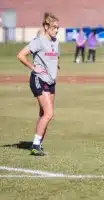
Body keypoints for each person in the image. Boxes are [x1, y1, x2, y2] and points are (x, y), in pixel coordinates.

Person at [17, 12, 60, 156]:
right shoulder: (39, 41)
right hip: (38, 79)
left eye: (57, 28)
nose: (56, 30)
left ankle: (38, 144)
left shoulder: (56, 42)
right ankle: (35, 146)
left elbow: (53, 58)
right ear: (46, 27)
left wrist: (55, 66)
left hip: (51, 81)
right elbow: (21, 55)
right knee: (49, 113)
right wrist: (33, 67)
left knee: (44, 113)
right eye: (54, 27)